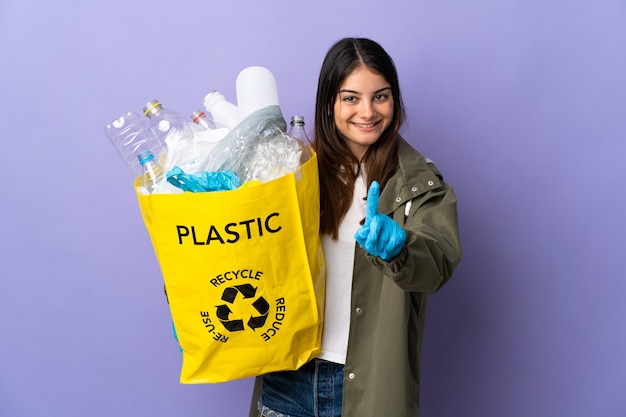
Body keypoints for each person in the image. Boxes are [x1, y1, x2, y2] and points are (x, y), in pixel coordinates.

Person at [249, 37, 462, 417]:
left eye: (380, 96)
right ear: (329, 104)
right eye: (351, 98)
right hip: (287, 377)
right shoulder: (293, 174)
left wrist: (401, 248)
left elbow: (438, 262)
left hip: (369, 384)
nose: (367, 111)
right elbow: (250, 252)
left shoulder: (418, 183)